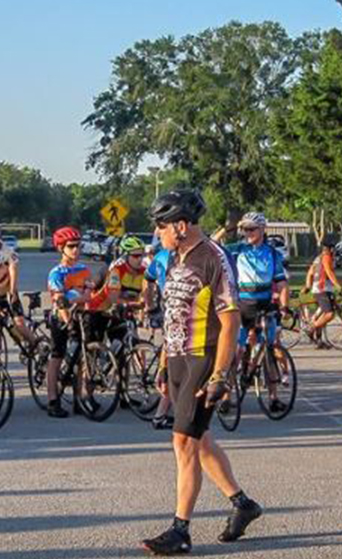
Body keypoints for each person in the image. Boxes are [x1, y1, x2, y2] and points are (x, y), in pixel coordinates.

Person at [142, 190, 262, 555]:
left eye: (161, 226)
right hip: (178, 357)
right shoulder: (174, 257)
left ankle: (180, 531)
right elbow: (173, 315)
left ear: (180, 225)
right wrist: (164, 362)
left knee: (184, 442)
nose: (157, 233)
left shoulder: (214, 258)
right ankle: (243, 505)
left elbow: (230, 322)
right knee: (200, 437)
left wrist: (220, 375)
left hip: (204, 357)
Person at [215, 212, 289, 413]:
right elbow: (212, 245)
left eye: (251, 229)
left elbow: (281, 283)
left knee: (271, 348)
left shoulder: (273, 253)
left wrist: (284, 306)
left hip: (265, 304)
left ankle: (273, 397)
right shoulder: (237, 250)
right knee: (236, 351)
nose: (247, 233)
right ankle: (226, 396)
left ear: (262, 230)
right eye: (244, 229)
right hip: (242, 305)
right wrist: (226, 229)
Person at [44, 226, 93, 418]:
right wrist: (68, 320)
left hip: (81, 316)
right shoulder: (56, 273)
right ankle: (52, 400)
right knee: (57, 357)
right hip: (62, 318)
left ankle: (79, 398)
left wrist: (77, 298)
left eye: (79, 246)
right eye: (71, 246)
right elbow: (60, 300)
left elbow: (89, 295)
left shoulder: (83, 269)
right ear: (60, 248)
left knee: (82, 357)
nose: (76, 250)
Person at [0, 219, 36, 352]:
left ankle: (36, 347)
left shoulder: (8, 251)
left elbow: (13, 269)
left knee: (20, 324)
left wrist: (13, 291)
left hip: (8, 292)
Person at [144, 240, 175, 430]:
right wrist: (151, 307)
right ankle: (160, 414)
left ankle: (167, 412)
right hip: (171, 308)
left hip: (183, 311)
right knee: (172, 358)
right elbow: (147, 280)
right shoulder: (162, 257)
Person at [302, 236, 342, 348]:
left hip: (322, 289)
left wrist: (308, 285)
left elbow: (310, 272)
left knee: (322, 315)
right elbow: (329, 273)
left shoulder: (319, 257)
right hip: (322, 289)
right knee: (329, 314)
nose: (335, 250)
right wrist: (339, 287)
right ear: (331, 248)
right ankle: (311, 328)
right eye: (334, 248)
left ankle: (319, 341)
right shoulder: (326, 257)